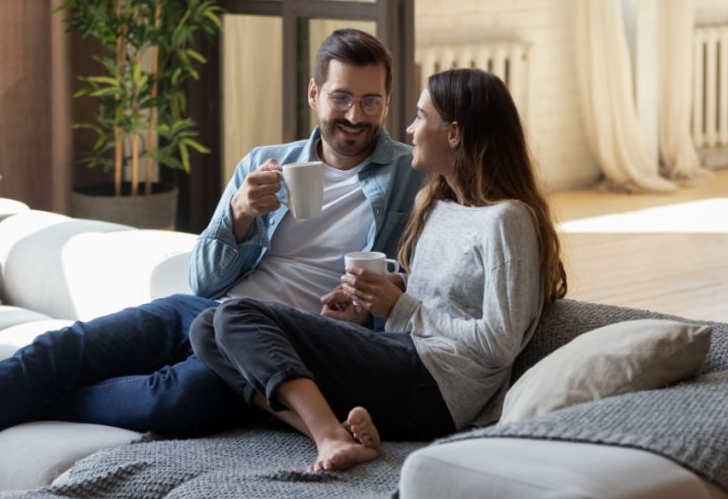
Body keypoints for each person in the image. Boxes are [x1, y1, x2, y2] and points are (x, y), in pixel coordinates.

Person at [0, 28, 427, 480]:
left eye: (371, 102)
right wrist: (239, 212)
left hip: (282, 347)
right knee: (64, 348)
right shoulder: (265, 163)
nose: (356, 117)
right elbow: (204, 280)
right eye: (342, 98)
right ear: (315, 94)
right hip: (208, 313)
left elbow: (419, 287)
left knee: (176, 399)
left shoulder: (414, 176)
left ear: (386, 102)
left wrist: (371, 307)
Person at [189, 68, 569, 472]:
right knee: (206, 328)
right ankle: (334, 431)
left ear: (454, 133)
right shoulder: (437, 205)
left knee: (236, 313)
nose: (409, 128)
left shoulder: (507, 220)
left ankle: (329, 436)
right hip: (403, 362)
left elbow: (499, 342)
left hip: (440, 387)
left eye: (421, 117)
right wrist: (372, 300)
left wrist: (400, 306)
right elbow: (442, 297)